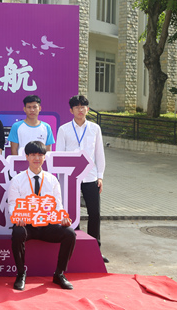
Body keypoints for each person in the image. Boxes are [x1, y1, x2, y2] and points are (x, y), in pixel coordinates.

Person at [7, 141, 76, 291]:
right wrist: (17, 217)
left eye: (40, 155)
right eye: (33, 155)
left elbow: (58, 204)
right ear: (27, 157)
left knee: (70, 233)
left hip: (47, 226)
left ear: (45, 157)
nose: (36, 158)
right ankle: (21, 273)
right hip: (27, 226)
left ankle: (59, 274)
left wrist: (62, 218)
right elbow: (12, 204)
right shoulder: (17, 180)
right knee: (18, 232)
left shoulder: (52, 180)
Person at [56, 95, 108, 263]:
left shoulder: (95, 128)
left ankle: (95, 249)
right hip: (70, 178)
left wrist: (100, 176)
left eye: (83, 106)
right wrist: (60, 179)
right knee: (72, 214)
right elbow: (59, 155)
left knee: (95, 212)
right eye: (77, 107)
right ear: (71, 110)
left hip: (90, 176)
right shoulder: (64, 129)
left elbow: (99, 153)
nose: (80, 109)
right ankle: (74, 247)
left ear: (87, 109)